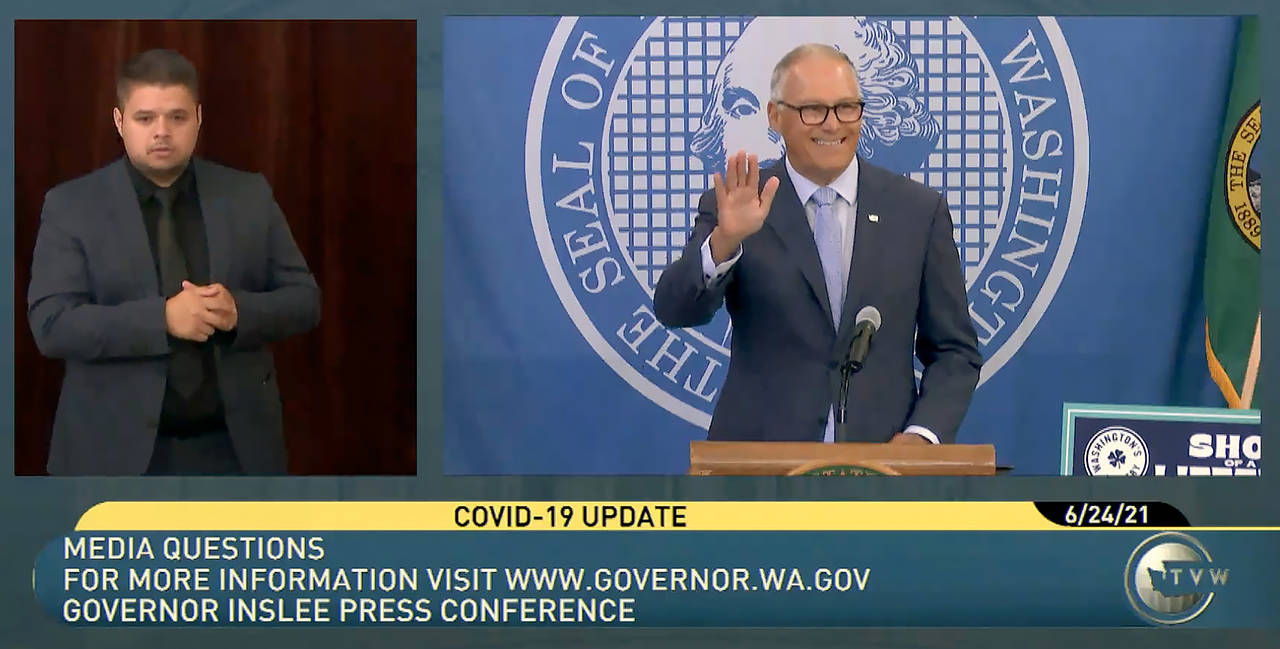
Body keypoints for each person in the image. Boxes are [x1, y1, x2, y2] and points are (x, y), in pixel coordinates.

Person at [654, 43, 981, 444]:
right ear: (775, 116)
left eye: (847, 107)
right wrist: (725, 240)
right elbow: (674, 310)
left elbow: (954, 351)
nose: (832, 124)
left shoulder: (918, 211)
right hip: (759, 470)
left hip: (883, 469)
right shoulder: (740, 202)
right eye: (813, 110)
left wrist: (922, 434)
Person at [27, 49, 320, 475]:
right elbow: (52, 325)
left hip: (235, 453)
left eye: (177, 117)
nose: (161, 131)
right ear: (119, 121)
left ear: (198, 118)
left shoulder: (248, 195)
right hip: (111, 458)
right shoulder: (71, 206)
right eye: (145, 118)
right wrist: (162, 319)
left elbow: (305, 301)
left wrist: (240, 312)